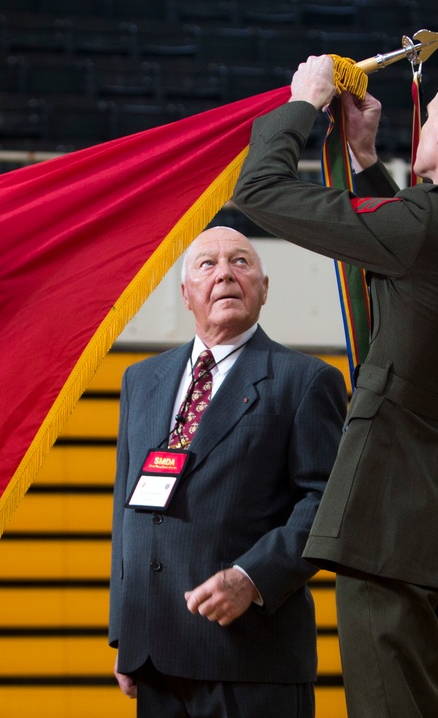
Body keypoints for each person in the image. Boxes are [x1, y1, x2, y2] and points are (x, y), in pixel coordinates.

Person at [232, 50, 438, 718]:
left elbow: (260, 192)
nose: (424, 124)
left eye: (430, 113)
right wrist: (362, 157)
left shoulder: (427, 227)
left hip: (383, 522)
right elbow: (413, 250)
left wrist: (302, 103)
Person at [108, 226, 347, 717]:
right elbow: (126, 509)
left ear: (263, 288)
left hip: (251, 659)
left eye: (240, 262)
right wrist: (124, 632)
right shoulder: (141, 379)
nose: (224, 274)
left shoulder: (307, 380)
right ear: (185, 293)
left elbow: (327, 502)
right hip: (157, 658)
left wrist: (250, 577)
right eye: (207, 264)